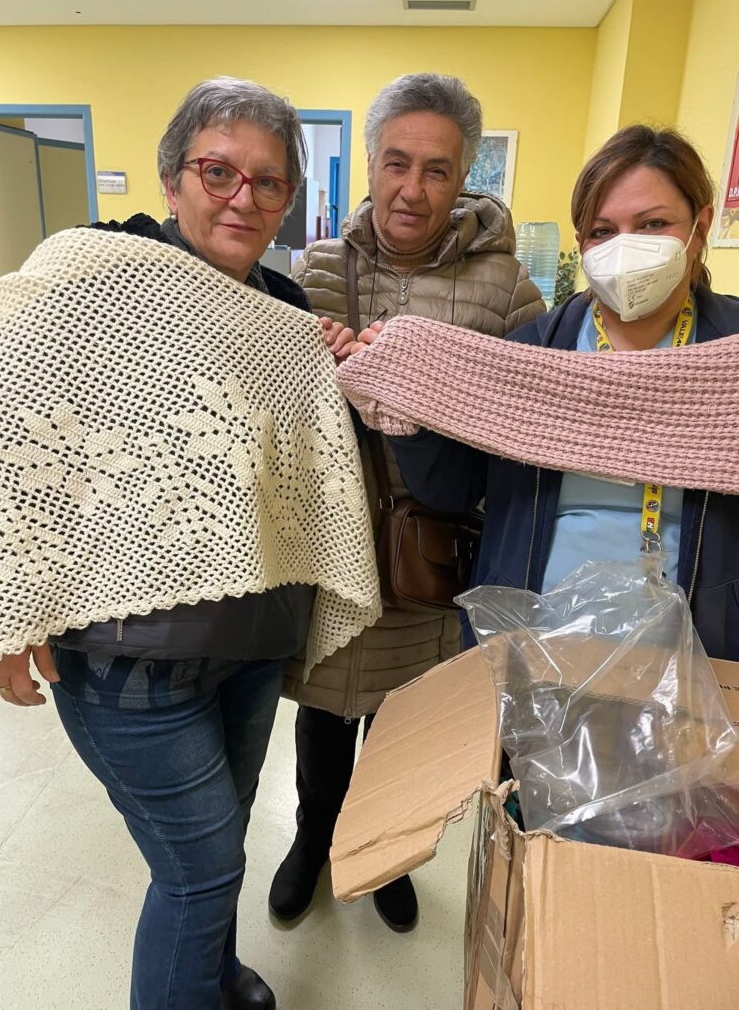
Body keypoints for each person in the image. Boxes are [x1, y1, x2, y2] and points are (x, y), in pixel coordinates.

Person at [0, 77, 368, 1010]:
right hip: (128, 660)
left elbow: (295, 471)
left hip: (251, 642)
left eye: (268, 182)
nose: (243, 197)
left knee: (222, 837)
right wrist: (4, 605)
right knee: (200, 872)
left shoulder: (283, 310)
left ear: (288, 200)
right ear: (171, 178)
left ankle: (214, 978)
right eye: (218, 171)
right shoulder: (94, 275)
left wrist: (347, 366)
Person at [270, 72, 544, 932]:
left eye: (437, 170)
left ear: (464, 177)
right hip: (329, 546)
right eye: (397, 163)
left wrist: (431, 391)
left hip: (433, 553)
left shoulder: (506, 288)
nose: (413, 189)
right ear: (370, 165)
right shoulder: (319, 269)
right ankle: (314, 839)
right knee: (324, 711)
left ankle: (384, 851)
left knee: (405, 718)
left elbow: (528, 419)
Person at [356, 125, 739, 661]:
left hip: (696, 654)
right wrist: (407, 410)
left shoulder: (728, 356)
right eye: (603, 231)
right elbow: (454, 491)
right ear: (582, 243)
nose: (625, 246)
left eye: (653, 224)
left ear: (699, 227)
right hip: (532, 650)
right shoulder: (532, 352)